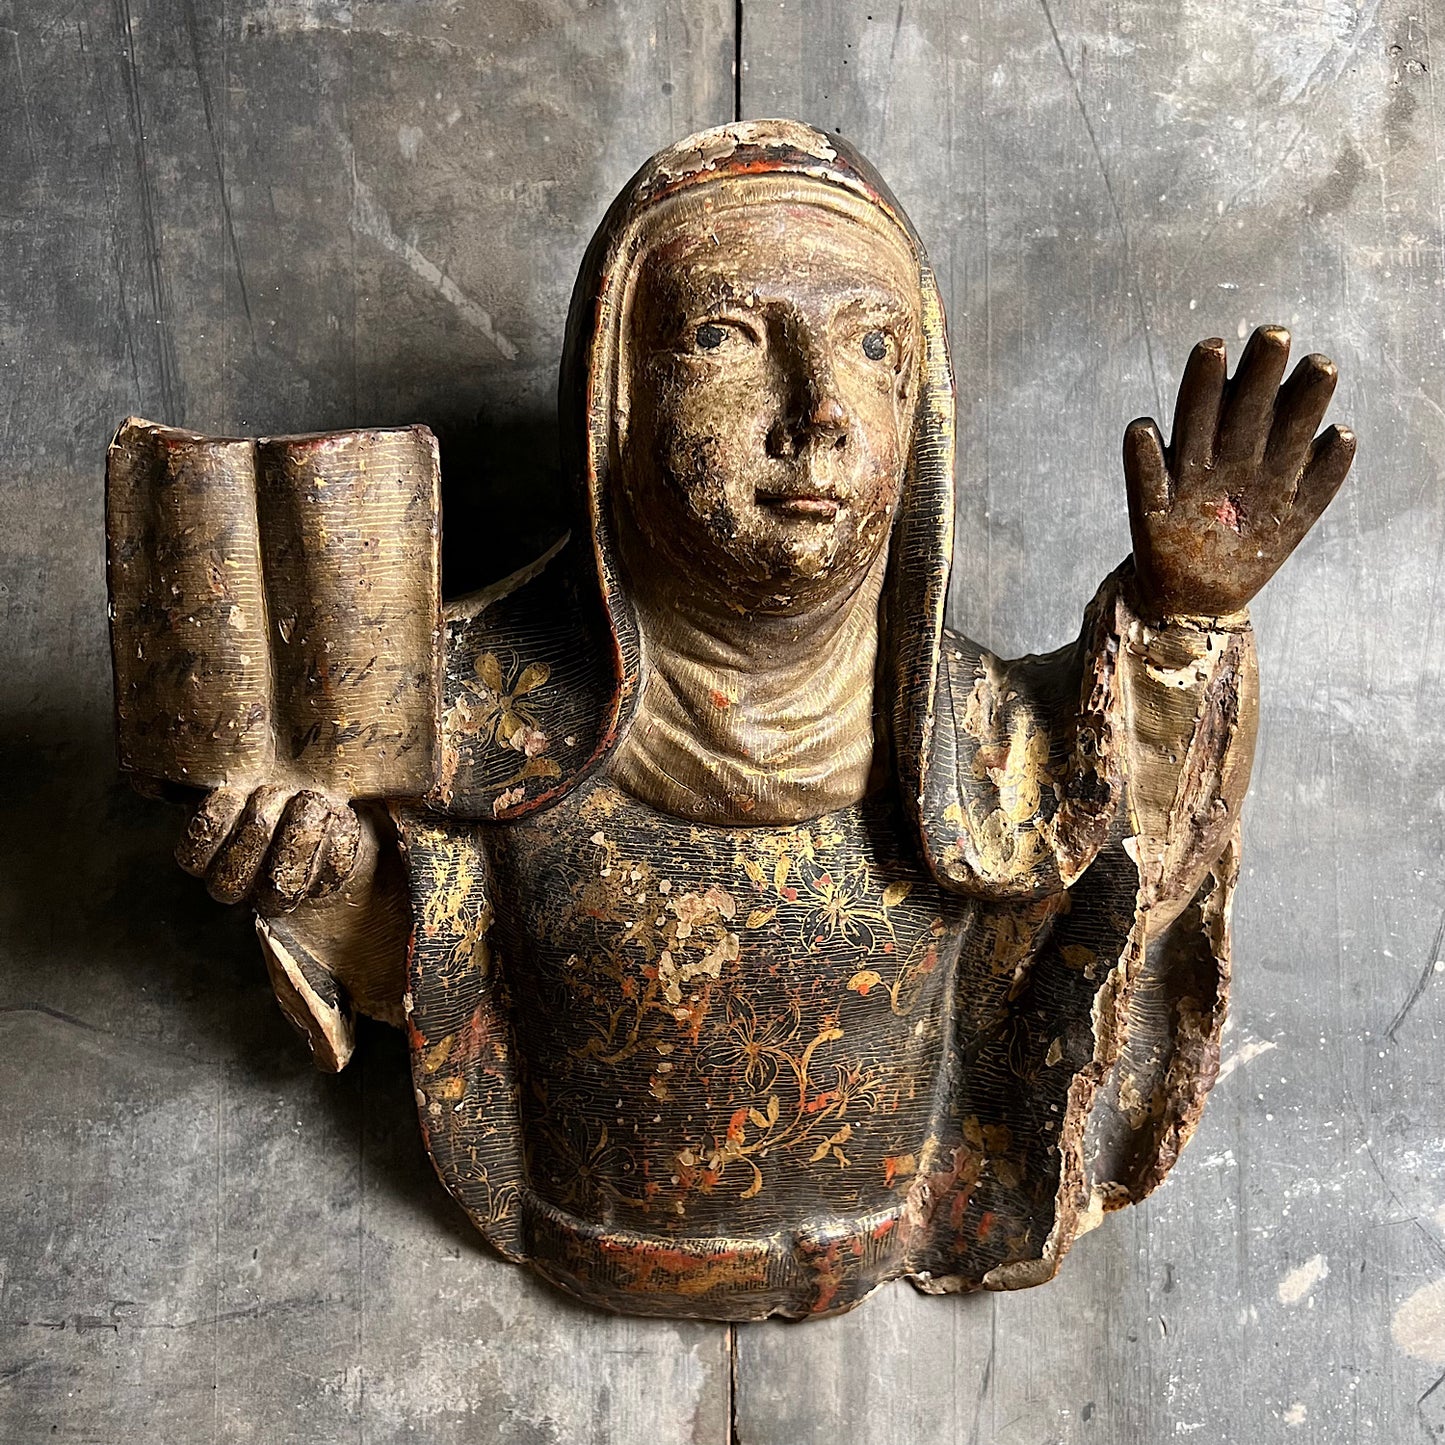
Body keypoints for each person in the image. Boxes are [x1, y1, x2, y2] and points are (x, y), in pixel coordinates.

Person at [164, 120, 1354, 1319]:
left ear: (921, 405)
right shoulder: (458, 709)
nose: (816, 410)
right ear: (614, 397)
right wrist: (317, 875)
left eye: (872, 344)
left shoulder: (977, 742)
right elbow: (433, 954)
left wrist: (1181, 625)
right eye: (724, 335)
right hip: (540, 1267)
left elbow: (1127, 865)